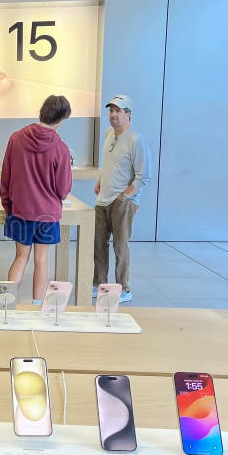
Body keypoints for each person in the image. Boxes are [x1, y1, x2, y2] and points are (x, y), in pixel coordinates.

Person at [0, 95, 73, 305]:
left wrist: (8, 207)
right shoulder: (61, 148)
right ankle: (37, 306)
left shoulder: (16, 138)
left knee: (21, 257)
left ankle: (7, 303)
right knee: (42, 260)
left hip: (20, 210)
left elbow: (6, 175)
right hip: (47, 213)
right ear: (60, 119)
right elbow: (63, 189)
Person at [93, 94, 152, 304]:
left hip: (123, 202)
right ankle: (98, 284)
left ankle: (123, 288)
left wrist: (124, 195)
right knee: (98, 244)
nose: (113, 115)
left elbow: (144, 175)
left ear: (129, 114)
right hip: (103, 199)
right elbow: (111, 162)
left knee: (120, 245)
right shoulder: (109, 133)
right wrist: (101, 180)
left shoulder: (136, 139)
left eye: (118, 111)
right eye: (111, 110)